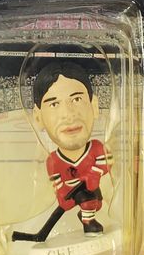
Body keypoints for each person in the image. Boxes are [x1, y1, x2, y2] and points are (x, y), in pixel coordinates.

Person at [33, 61, 111, 236]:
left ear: (94, 106)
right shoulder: (53, 161)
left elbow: (106, 163)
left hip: (92, 189)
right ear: (38, 118)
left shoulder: (97, 148)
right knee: (89, 200)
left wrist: (94, 174)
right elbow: (58, 183)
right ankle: (89, 223)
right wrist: (62, 195)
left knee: (96, 202)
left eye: (77, 99)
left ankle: (86, 215)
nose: (68, 115)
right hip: (75, 192)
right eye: (54, 104)